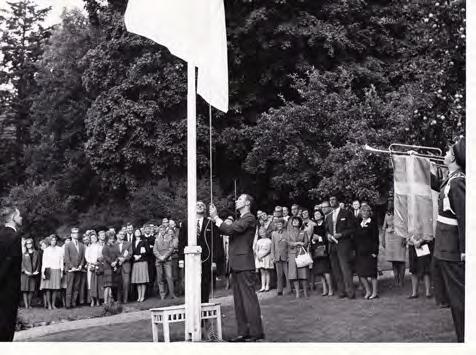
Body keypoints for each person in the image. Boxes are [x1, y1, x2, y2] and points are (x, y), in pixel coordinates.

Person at [210, 194, 265, 342]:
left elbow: (230, 229)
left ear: (247, 203)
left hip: (244, 264)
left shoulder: (249, 218)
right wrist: (215, 221)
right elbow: (226, 229)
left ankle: (256, 332)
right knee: (239, 301)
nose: (236, 201)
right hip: (236, 264)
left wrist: (216, 218)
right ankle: (243, 332)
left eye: (240, 199)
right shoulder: (241, 219)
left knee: (248, 299)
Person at [432, 137, 465, 342]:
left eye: (447, 152)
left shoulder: (459, 181)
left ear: (454, 157)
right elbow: (438, 186)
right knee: (452, 299)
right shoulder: (451, 179)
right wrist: (413, 164)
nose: (444, 154)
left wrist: (465, 250)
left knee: (460, 300)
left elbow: (464, 217)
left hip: (453, 250)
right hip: (444, 248)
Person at [178, 201, 224, 303]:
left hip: (206, 258)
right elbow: (181, 242)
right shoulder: (186, 223)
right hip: (190, 258)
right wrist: (181, 259)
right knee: (191, 283)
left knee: (205, 283)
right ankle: (192, 308)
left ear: (205, 209)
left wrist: (214, 260)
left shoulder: (210, 223)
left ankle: (204, 308)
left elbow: (216, 243)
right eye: (197, 204)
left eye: (202, 205)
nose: (199, 206)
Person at [325, 195, 356, 299]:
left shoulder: (346, 213)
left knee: (345, 268)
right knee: (336, 269)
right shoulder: (328, 216)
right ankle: (341, 291)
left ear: (338, 201)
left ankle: (350, 292)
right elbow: (327, 230)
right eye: (330, 200)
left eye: (333, 199)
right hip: (332, 245)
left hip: (343, 244)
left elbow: (352, 229)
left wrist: (341, 234)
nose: (331, 201)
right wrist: (328, 235)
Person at [0, 205, 23, 342]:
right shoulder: (14, 237)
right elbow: (8, 265)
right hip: (9, 288)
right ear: (13, 217)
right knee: (7, 325)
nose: (21, 218)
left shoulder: (1, 234)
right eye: (19, 215)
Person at [353, 205, 380, 299]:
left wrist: (375, 252)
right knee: (361, 273)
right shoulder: (358, 223)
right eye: (362, 211)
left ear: (369, 213)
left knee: (372, 273)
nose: (364, 213)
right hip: (360, 252)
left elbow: (376, 239)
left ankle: (375, 292)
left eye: (366, 211)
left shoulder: (372, 223)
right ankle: (368, 291)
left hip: (370, 252)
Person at [382, 200, 406, 287]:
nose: (389, 204)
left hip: (398, 236)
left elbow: (404, 225)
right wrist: (383, 240)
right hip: (389, 237)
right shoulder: (386, 214)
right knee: (393, 260)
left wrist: (404, 237)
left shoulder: (400, 212)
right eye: (388, 203)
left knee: (401, 259)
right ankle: (396, 279)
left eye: (391, 203)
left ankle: (402, 280)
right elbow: (384, 227)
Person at [310, 209, 333, 296]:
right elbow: (313, 239)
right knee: (320, 272)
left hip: (324, 250)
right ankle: (325, 289)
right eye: (315, 214)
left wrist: (319, 238)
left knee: (326, 271)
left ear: (322, 215)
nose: (316, 215)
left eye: (318, 214)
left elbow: (327, 237)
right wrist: (313, 240)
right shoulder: (315, 226)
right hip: (317, 251)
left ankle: (331, 289)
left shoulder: (325, 225)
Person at [286, 216, 310, 298]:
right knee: (294, 274)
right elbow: (288, 242)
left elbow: (306, 242)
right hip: (292, 254)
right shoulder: (288, 232)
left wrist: (302, 244)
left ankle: (306, 292)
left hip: (301, 253)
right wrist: (296, 243)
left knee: (303, 274)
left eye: (296, 220)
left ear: (299, 222)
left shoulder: (303, 232)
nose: (295, 222)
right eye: (293, 221)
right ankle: (297, 293)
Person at [64, 227, 86, 308]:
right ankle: (68, 304)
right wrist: (71, 267)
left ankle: (73, 303)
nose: (76, 234)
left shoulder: (81, 245)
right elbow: (66, 258)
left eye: (77, 233)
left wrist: (81, 265)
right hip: (71, 269)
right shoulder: (68, 245)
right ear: (71, 234)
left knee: (76, 287)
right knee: (70, 287)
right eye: (74, 233)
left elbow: (83, 257)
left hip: (79, 269)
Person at [40, 235, 64, 309]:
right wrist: (43, 272)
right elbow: (44, 262)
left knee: (55, 288)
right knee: (48, 288)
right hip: (48, 269)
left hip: (57, 269)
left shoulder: (60, 249)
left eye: (54, 240)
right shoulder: (46, 250)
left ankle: (53, 304)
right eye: (52, 240)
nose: (53, 241)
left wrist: (61, 271)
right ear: (49, 241)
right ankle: (49, 304)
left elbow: (61, 261)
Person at [153, 226, 176, 300]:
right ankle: (162, 295)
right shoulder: (156, 239)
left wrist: (165, 256)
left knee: (169, 277)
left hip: (167, 260)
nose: (162, 231)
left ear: (165, 231)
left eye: (163, 230)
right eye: (160, 230)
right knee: (160, 278)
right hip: (159, 260)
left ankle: (172, 294)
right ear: (159, 231)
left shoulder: (169, 238)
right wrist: (160, 257)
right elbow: (154, 250)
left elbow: (171, 248)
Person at [270, 218, 290, 296]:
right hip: (277, 256)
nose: (279, 225)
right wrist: (273, 256)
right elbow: (272, 245)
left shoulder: (287, 233)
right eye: (278, 224)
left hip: (285, 256)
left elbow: (288, 245)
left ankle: (289, 289)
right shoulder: (274, 234)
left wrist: (288, 256)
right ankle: (279, 290)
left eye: (280, 224)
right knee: (279, 274)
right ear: (276, 225)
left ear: (283, 224)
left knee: (287, 274)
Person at [102, 231, 122, 305]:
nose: (112, 240)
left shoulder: (114, 246)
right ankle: (105, 302)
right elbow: (106, 257)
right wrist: (111, 263)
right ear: (107, 239)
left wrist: (115, 262)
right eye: (110, 239)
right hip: (107, 268)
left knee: (113, 285)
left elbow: (118, 255)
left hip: (114, 267)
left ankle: (113, 301)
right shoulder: (105, 247)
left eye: (113, 239)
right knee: (107, 285)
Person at [131, 229, 150, 302]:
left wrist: (141, 255)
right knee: (138, 281)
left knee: (142, 280)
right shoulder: (132, 243)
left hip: (142, 261)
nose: (137, 233)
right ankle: (139, 296)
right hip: (135, 262)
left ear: (140, 233)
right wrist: (134, 256)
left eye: (138, 232)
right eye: (136, 232)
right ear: (134, 234)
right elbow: (131, 252)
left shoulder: (144, 241)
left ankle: (142, 296)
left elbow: (148, 251)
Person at [21, 238, 40, 309]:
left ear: (32, 244)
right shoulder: (24, 253)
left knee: (31, 290)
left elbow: (38, 263)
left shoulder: (36, 253)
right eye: (27, 244)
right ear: (26, 245)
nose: (29, 245)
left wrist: (37, 271)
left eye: (30, 243)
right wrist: (24, 270)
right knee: (25, 290)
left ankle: (29, 304)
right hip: (25, 274)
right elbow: (21, 263)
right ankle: (26, 306)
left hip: (33, 274)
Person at [85, 231, 104, 307]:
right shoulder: (88, 247)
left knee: (98, 283)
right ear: (90, 239)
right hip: (91, 267)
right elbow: (87, 257)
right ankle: (92, 300)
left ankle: (98, 300)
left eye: (95, 237)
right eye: (92, 238)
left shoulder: (100, 246)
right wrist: (92, 263)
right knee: (91, 284)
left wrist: (98, 262)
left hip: (98, 266)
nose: (94, 239)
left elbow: (102, 256)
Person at [253, 226, 273, 292]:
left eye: (263, 232)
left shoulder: (269, 241)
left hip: (266, 257)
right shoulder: (258, 241)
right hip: (259, 257)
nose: (262, 234)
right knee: (262, 272)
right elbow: (256, 249)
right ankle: (263, 286)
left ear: (266, 232)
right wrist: (258, 256)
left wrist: (262, 255)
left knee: (267, 271)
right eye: (260, 233)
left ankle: (267, 286)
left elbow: (269, 250)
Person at [116, 230, 133, 303]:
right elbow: (112, 253)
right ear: (117, 235)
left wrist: (124, 259)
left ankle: (125, 300)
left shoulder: (128, 244)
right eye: (120, 234)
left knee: (126, 283)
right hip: (117, 266)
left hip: (126, 265)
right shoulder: (114, 244)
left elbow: (130, 253)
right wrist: (118, 259)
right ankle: (118, 300)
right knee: (118, 284)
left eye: (123, 234)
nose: (122, 235)